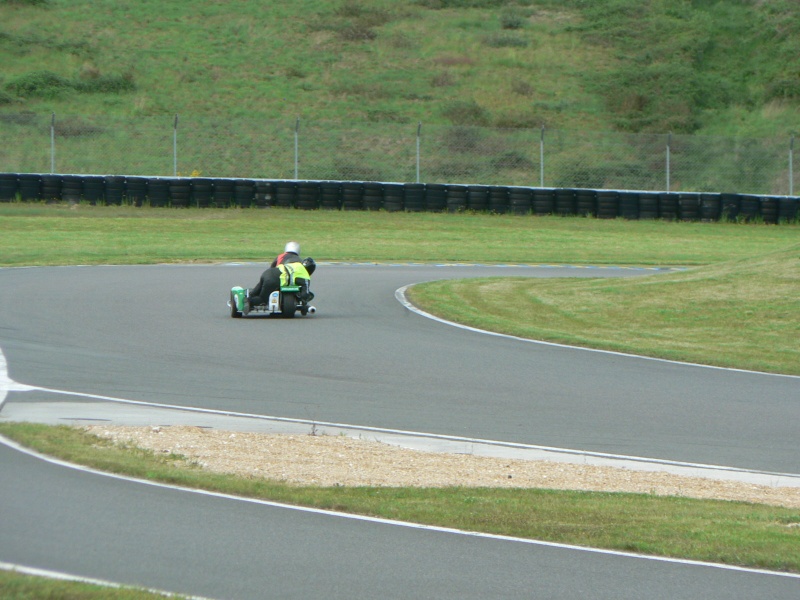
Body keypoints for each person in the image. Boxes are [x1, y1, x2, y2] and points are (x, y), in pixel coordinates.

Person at [245, 257, 316, 314]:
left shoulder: (296, 264)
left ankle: (249, 295)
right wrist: (304, 305)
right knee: (263, 300)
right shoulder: (305, 276)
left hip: (269, 272)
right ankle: (248, 302)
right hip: (274, 279)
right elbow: (305, 294)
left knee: (256, 291)